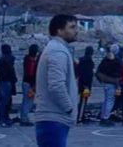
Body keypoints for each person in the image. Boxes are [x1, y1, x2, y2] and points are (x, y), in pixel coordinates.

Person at [34, 14, 79, 147]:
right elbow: (56, 85)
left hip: (53, 118)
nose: (76, 31)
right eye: (72, 27)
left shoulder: (56, 49)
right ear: (59, 30)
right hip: (53, 118)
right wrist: (69, 108)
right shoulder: (57, 52)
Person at [96, 44, 121, 126]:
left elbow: (98, 70)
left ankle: (102, 116)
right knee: (110, 101)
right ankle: (105, 118)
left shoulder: (105, 60)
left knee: (106, 100)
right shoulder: (116, 61)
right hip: (112, 83)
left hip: (105, 82)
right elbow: (118, 74)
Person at [0, 44, 17, 127]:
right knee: (3, 102)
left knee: (3, 101)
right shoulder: (8, 59)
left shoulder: (3, 59)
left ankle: (1, 119)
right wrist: (14, 79)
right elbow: (11, 71)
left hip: (3, 81)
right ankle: (1, 119)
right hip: (6, 82)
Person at [20, 44, 39, 126]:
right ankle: (24, 119)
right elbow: (31, 73)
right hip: (29, 83)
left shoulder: (27, 59)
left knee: (26, 101)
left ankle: (24, 117)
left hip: (26, 82)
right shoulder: (31, 61)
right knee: (28, 101)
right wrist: (33, 85)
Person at [76, 46, 95, 124]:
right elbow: (88, 74)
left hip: (81, 83)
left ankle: (80, 116)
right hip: (86, 84)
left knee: (81, 100)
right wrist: (86, 85)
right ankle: (80, 118)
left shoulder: (81, 60)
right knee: (83, 101)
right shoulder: (90, 61)